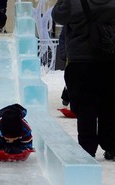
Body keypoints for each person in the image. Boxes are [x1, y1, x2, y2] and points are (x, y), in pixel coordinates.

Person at [52, 0, 115, 159]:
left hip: (81, 62)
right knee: (109, 106)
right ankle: (111, 146)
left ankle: (87, 150)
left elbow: (58, 15)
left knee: (85, 110)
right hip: (110, 59)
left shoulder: (74, 3)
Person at [58, 25, 70, 106]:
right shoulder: (68, 23)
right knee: (70, 78)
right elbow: (62, 38)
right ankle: (66, 97)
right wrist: (64, 53)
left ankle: (66, 98)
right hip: (71, 56)